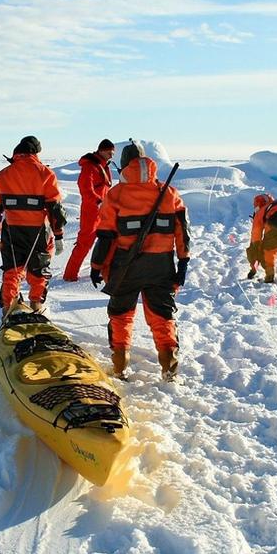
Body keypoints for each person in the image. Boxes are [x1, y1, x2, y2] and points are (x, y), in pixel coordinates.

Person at [89, 142, 189, 381]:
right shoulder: (169, 193)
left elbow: (105, 237)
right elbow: (182, 232)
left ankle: (120, 367)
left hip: (126, 267)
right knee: (162, 316)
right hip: (162, 266)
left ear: (124, 166)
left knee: (121, 316)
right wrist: (183, 262)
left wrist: (96, 267)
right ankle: (169, 368)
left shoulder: (115, 195)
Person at [0, 135, 68, 313]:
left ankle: (9, 309)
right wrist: (59, 235)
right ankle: (36, 306)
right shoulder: (46, 173)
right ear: (36, 152)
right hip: (39, 231)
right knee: (39, 270)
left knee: (12, 271)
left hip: (12, 230)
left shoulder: (3, 174)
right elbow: (55, 209)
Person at [62, 139, 115, 282]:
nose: (111, 156)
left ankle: (103, 271)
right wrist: (98, 202)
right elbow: (85, 188)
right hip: (91, 211)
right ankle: (70, 275)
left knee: (109, 242)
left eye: (113, 153)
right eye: (110, 152)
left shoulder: (102, 166)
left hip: (103, 211)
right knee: (84, 243)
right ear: (102, 151)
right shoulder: (90, 167)